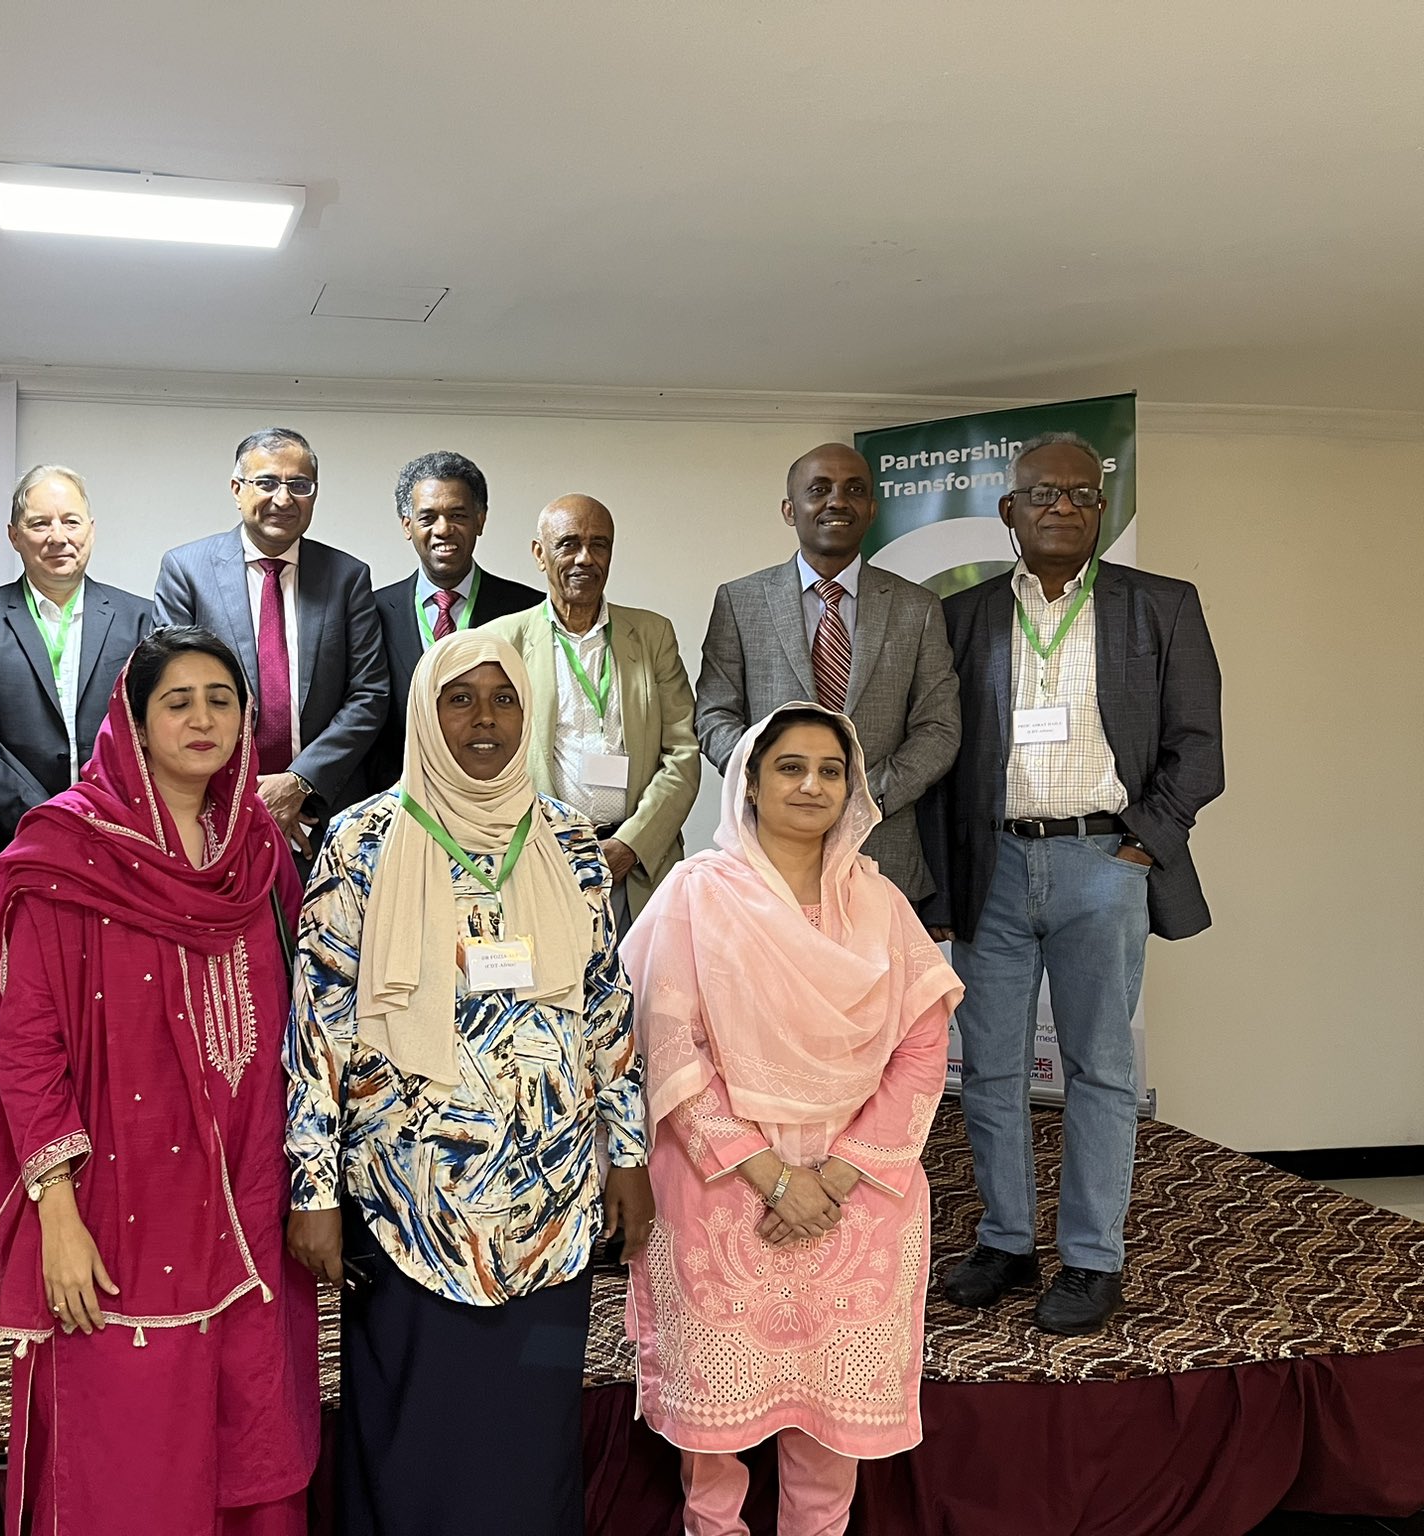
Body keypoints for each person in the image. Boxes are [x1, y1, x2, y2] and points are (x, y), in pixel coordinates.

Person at [285, 630, 652, 1536]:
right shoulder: (362, 840)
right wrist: (313, 1190)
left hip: (548, 1193)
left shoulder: (569, 841)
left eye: (504, 700)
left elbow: (608, 1007)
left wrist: (630, 1155)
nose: (484, 720)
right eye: (461, 699)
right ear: (424, 711)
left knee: (528, 1433)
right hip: (408, 1198)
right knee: (413, 1425)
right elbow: (319, 1029)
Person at [0, 626, 319, 1536]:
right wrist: (56, 1214)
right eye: (178, 702)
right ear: (134, 717)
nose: (203, 720)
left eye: (222, 701)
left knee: (250, 1412)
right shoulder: (63, 855)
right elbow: (26, 1047)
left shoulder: (260, 854)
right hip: (117, 1202)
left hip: (247, 1187)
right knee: (129, 1439)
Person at [625, 702, 961, 1536]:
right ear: (749, 781)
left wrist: (839, 1175)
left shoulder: (878, 902)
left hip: (858, 1188)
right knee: (716, 1424)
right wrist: (770, 1175)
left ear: (853, 789)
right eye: (790, 766)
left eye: (830, 769)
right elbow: (667, 1048)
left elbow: (924, 1043)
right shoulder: (697, 895)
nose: (812, 784)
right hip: (723, 1184)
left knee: (829, 1410)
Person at [921, 432, 1224, 1336]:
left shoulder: (1162, 607)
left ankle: (1093, 1259)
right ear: (1009, 512)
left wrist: (1140, 846)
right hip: (994, 869)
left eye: (1082, 495)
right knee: (991, 1067)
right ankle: (1008, 1240)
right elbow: (940, 754)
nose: (1061, 506)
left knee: (1101, 1068)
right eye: (1042, 493)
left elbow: (1199, 749)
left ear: (1101, 511)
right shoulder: (963, 616)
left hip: (1104, 861)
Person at [695, 442, 960, 901]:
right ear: (789, 509)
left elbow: (938, 729)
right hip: (767, 847)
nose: (837, 500)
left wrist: (862, 797)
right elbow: (714, 716)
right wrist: (773, 786)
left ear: (872, 509)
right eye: (819, 489)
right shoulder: (740, 602)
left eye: (853, 489)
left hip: (882, 848)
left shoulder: (918, 608)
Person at [154, 427, 388, 863]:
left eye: (299, 485)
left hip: (325, 814)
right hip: (213, 810)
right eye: (266, 483)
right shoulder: (186, 572)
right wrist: (244, 796)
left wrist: (299, 782)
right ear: (236, 490)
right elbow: (175, 697)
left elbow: (369, 694)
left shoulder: (347, 577)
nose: (283, 499)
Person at [482, 494, 700, 924]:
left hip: (637, 867)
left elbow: (683, 752)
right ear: (539, 554)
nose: (585, 558)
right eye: (568, 544)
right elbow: (488, 757)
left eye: (599, 544)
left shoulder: (652, 634)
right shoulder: (503, 641)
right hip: (537, 860)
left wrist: (632, 845)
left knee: (643, 989)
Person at [0, 464, 154, 917]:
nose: (58, 536)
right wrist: (48, 819)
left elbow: (148, 734)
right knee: (24, 982)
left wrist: (99, 815)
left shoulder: (141, 620)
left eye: (70, 520)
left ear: (91, 529)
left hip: (119, 842)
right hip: (15, 842)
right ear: (13, 535)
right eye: (39, 523)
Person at [365, 450, 545, 791]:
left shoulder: (527, 610)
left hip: (497, 802)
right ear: (407, 525)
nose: (443, 529)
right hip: (399, 804)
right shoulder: (370, 613)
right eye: (427, 517)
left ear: (480, 519)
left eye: (458, 514)